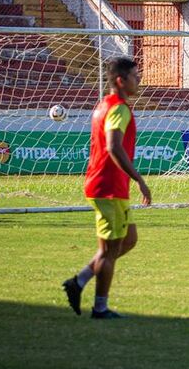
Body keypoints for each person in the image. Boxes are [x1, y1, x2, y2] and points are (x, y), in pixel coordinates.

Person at [62, 57, 151, 320]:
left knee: (129, 239)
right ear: (121, 81)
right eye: (135, 76)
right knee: (109, 252)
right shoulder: (119, 108)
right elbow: (113, 146)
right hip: (108, 187)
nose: (139, 80)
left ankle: (79, 281)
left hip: (109, 186)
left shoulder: (103, 105)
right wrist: (139, 179)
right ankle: (100, 308)